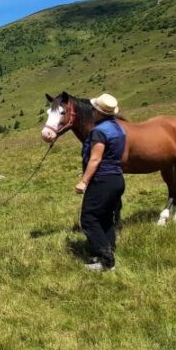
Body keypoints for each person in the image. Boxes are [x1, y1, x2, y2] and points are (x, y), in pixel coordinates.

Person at [74, 93, 126, 272]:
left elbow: (95, 159)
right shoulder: (119, 128)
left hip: (102, 180)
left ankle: (106, 261)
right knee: (105, 218)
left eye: (94, 109)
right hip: (117, 179)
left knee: (88, 219)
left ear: (98, 112)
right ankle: (106, 250)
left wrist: (83, 181)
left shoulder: (99, 131)